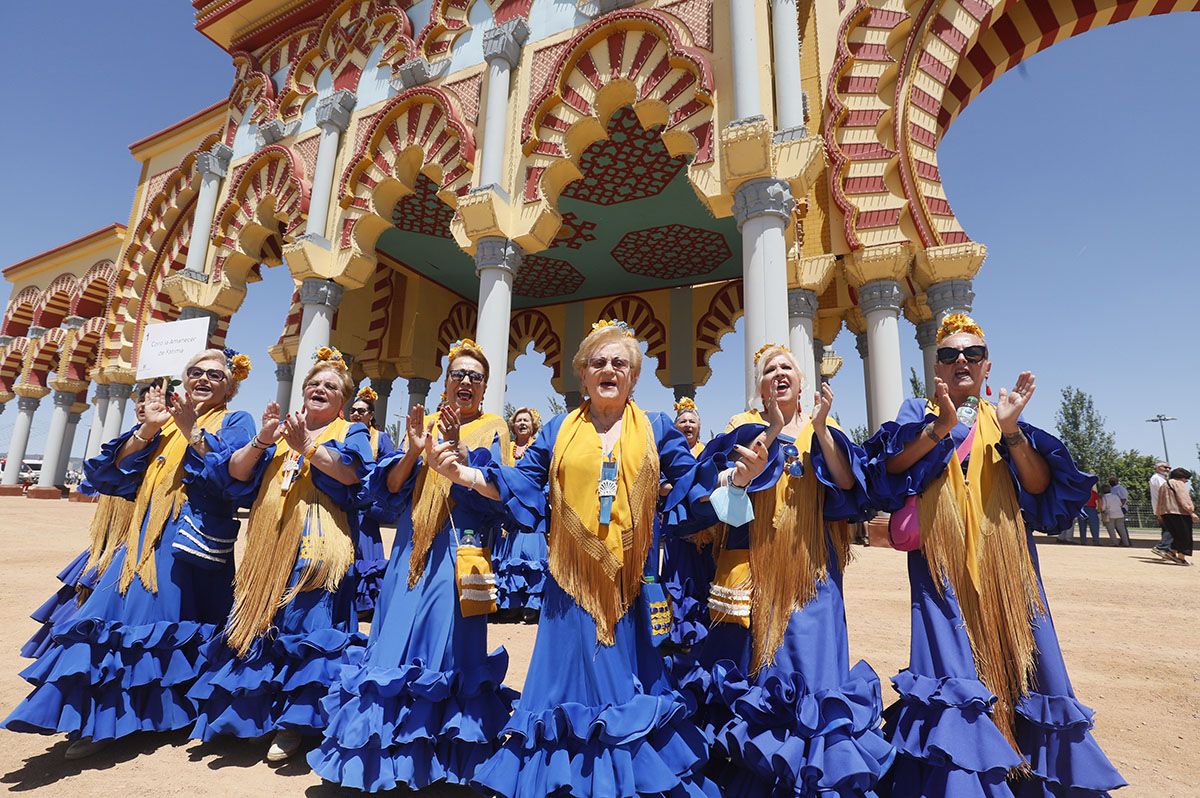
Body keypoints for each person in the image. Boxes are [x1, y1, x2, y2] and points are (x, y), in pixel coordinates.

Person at [430, 320, 774, 798]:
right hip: (568, 589)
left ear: (633, 377)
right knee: (563, 690)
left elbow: (693, 481)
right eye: (598, 362)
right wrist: (464, 474)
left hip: (630, 587)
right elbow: (521, 484)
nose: (609, 369)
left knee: (629, 686)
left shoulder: (656, 428)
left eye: (620, 363)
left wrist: (733, 479)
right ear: (583, 375)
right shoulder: (558, 429)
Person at [865, 313, 1125, 796]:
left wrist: (1012, 432)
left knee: (1027, 664)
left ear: (987, 368)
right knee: (953, 675)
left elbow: (1039, 486)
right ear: (936, 369)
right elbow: (888, 469)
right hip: (941, 573)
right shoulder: (914, 416)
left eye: (972, 354)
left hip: (1009, 567)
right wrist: (938, 430)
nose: (961, 360)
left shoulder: (1005, 419)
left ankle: (1026, 776)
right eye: (948, 354)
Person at [3, 350, 255, 760]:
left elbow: (235, 480)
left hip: (189, 541)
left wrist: (192, 431)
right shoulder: (163, 422)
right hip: (143, 538)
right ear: (183, 379)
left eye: (215, 374)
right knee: (113, 616)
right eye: (195, 372)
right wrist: (145, 431)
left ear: (231, 386)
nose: (204, 379)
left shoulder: (234, 420)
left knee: (166, 621)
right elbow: (107, 475)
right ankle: (101, 718)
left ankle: (153, 715)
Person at [678, 344, 893, 795]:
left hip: (815, 572)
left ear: (802, 383)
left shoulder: (825, 429)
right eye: (769, 370)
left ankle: (815, 777)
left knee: (815, 673)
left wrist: (817, 427)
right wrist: (772, 431)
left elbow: (850, 484)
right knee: (767, 669)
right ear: (759, 387)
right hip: (760, 570)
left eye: (787, 368)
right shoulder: (744, 428)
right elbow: (718, 492)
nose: (778, 373)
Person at [308, 339, 517, 792]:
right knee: (393, 639)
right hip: (411, 544)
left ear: (484, 389)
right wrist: (412, 451)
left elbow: (498, 494)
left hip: (460, 546)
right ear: (446, 381)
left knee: (447, 642)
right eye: (457, 374)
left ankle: (439, 755)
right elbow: (389, 491)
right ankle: (387, 755)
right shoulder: (421, 425)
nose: (464, 381)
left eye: (474, 377)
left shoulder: (493, 428)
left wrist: (460, 455)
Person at [189, 346, 371, 763]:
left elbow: (352, 473)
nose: (319, 390)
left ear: (342, 400)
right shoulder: (283, 428)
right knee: (260, 623)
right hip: (268, 546)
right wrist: (262, 440)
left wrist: (308, 445)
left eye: (329, 386)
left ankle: (294, 725)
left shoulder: (350, 431)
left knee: (308, 628)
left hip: (317, 547)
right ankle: (256, 716)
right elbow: (235, 473)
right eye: (313, 384)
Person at [17, 385, 152, 660]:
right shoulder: (128, 441)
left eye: (149, 401)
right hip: (106, 541)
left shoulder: (165, 445)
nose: (142, 405)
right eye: (140, 400)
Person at [660, 397, 715, 653]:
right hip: (677, 534)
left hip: (706, 534)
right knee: (677, 582)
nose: (688, 424)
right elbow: (661, 485)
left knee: (705, 582)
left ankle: (704, 634)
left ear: (699, 427)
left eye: (692, 421)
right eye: (682, 421)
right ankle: (678, 635)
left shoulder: (708, 453)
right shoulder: (666, 455)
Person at [490, 406, 547, 623]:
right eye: (518, 420)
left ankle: (532, 603)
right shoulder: (507, 449)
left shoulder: (540, 447)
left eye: (527, 420)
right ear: (513, 425)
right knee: (511, 553)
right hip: (510, 509)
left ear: (534, 426)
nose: (522, 423)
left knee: (532, 553)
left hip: (533, 509)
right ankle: (511, 603)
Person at [347, 385, 396, 619]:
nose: (356, 414)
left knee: (366, 552)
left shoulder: (380, 438)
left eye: (361, 411)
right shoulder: (343, 433)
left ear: (371, 415)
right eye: (353, 410)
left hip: (366, 509)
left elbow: (391, 468)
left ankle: (365, 603)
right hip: (343, 503)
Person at [1156, 468, 1195, 566]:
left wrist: (1159, 514)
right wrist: (1191, 511)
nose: (1186, 481)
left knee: (1175, 534)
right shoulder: (1179, 484)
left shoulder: (1164, 484)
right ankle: (1181, 558)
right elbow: (1184, 498)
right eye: (1186, 479)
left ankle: (1172, 552)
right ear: (1182, 477)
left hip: (1166, 513)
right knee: (1185, 536)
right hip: (1180, 513)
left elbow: (1160, 500)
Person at [1150, 462, 1171, 556]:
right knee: (1170, 528)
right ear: (1158, 468)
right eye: (1165, 467)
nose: (1168, 469)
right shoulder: (1157, 478)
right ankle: (1161, 547)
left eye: (1169, 468)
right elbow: (1164, 493)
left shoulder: (1160, 478)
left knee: (1166, 529)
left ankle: (1165, 550)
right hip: (1162, 507)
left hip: (1162, 507)